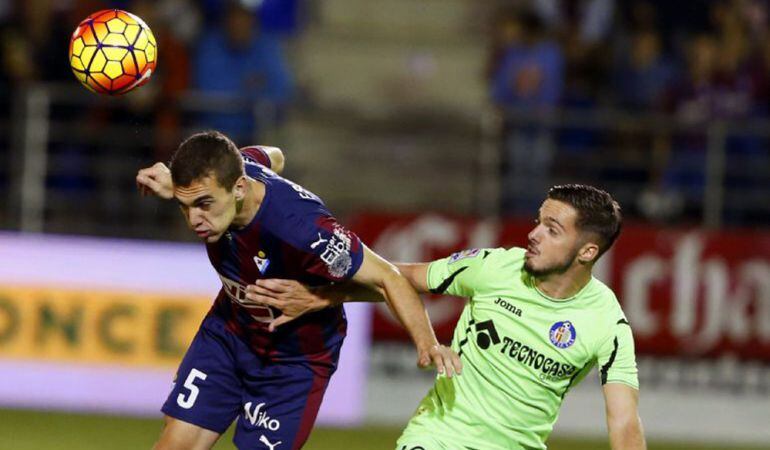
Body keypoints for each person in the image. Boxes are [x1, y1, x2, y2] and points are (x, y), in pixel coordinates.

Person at [245, 184, 647, 450]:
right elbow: (399, 277)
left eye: (552, 229)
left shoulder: (607, 324)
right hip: (438, 436)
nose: (534, 234)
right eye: (538, 221)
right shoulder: (494, 267)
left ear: (587, 252)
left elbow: (625, 422)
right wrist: (322, 296)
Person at [135, 131, 461, 450]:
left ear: (239, 188)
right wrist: (179, 186)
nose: (195, 220)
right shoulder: (238, 170)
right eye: (184, 205)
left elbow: (389, 278)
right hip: (229, 336)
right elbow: (274, 155)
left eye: (204, 203)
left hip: (293, 363)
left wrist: (426, 343)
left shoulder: (305, 231)